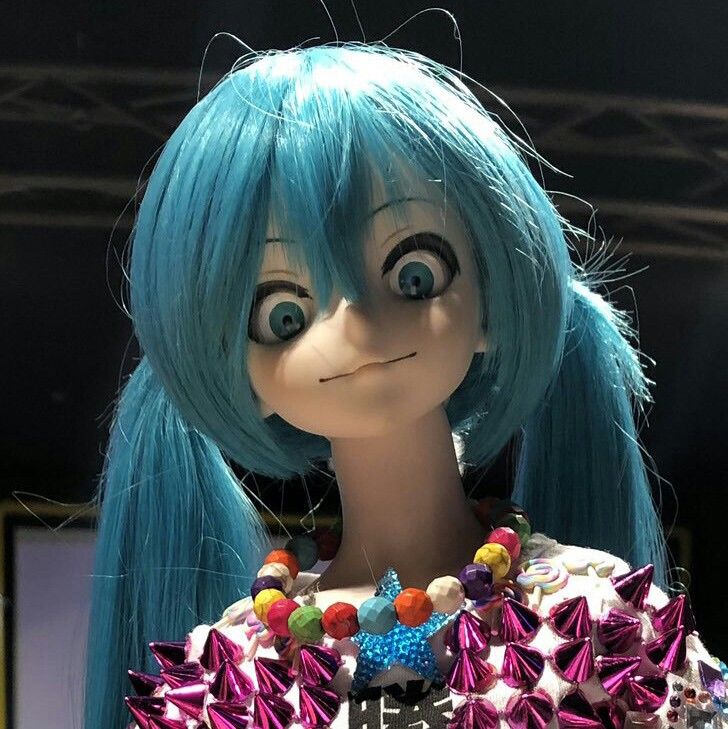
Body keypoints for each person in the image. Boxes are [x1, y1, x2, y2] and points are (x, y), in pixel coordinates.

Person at [83, 44, 725, 729]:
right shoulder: (228, 679)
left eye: (415, 274)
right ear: (236, 374)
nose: (354, 322)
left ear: (491, 297)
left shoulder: (601, 618)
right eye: (283, 315)